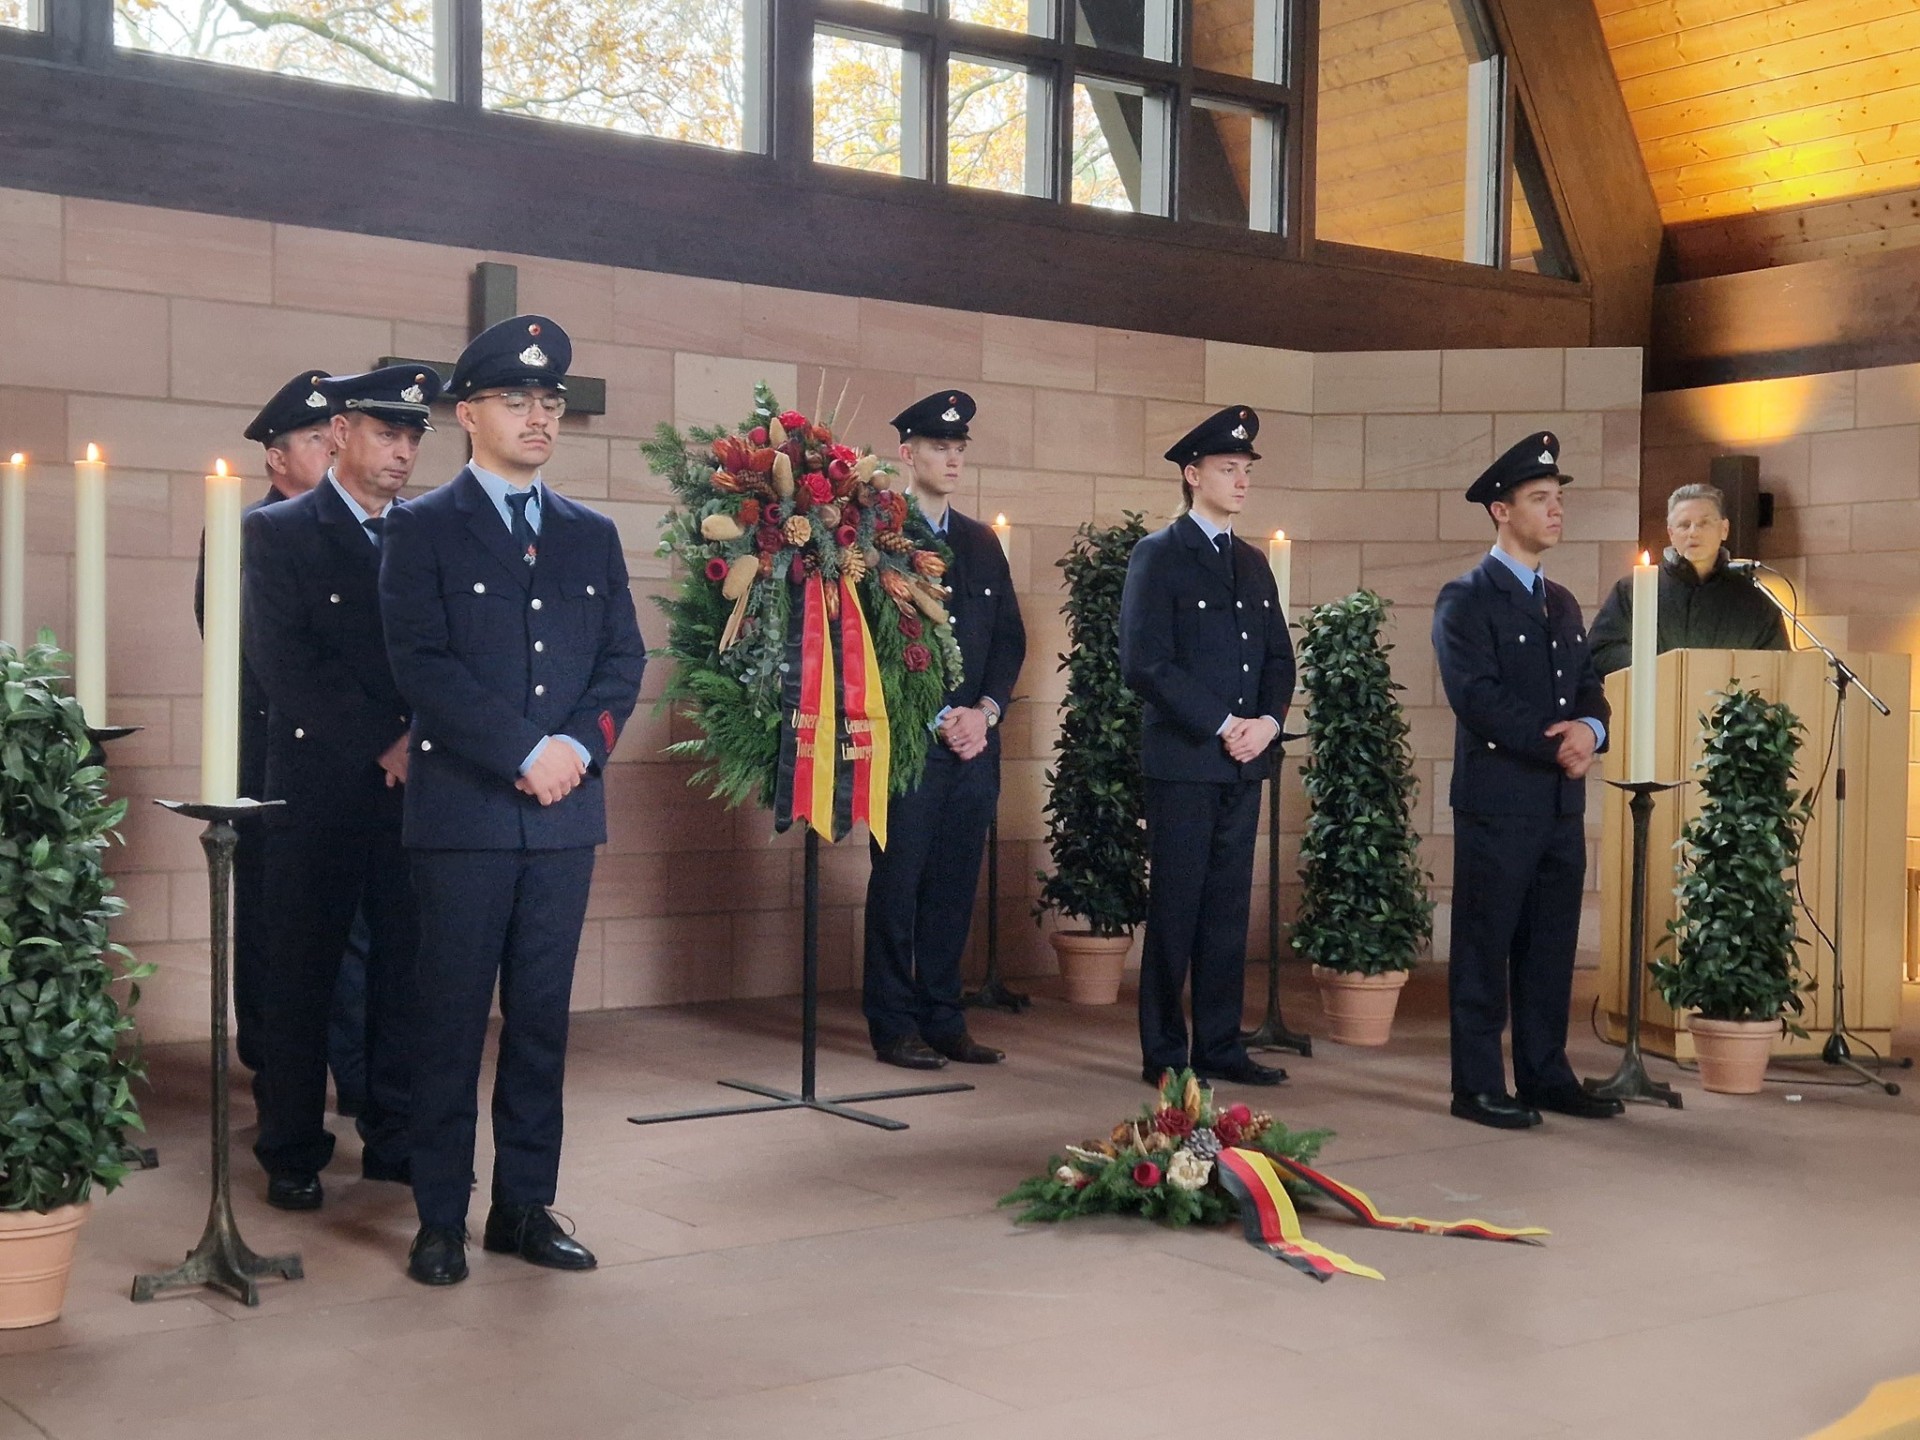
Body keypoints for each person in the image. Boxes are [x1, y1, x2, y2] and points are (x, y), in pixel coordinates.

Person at [380, 315, 647, 1286]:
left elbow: (623, 659)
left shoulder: (590, 534)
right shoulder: (421, 527)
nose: (539, 417)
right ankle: (440, 1218)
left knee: (540, 1024)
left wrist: (575, 747)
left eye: (550, 402)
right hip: (463, 818)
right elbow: (422, 664)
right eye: (516, 400)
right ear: (468, 414)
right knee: (449, 1024)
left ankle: (524, 1208)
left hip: (563, 820)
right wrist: (524, 750)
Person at [242, 364, 439, 1209]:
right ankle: (291, 1148)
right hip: (317, 785)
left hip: (416, 787)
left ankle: (394, 1136)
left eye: (413, 438)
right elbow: (284, 664)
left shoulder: (427, 531)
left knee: (406, 973)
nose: (402, 453)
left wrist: (423, 743)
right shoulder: (280, 530)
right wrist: (384, 741)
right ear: (341, 434)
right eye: (388, 434)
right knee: (301, 975)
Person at [1431, 432, 1619, 1130]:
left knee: (1549, 949)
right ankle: (1477, 1085)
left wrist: (1592, 730)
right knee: (1485, 948)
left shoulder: (1562, 603)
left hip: (1559, 805)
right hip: (1499, 801)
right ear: (1501, 511)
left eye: (1558, 497)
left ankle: (1545, 1072)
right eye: (1540, 498)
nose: (1556, 509)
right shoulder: (1466, 598)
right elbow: (1477, 698)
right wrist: (1561, 743)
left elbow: (1589, 685)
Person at [1119, 405, 1293, 1089]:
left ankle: (1220, 1044)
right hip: (1186, 762)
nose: (1242, 480)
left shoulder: (1252, 563)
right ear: (1193, 475)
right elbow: (1144, 662)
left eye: (1246, 469)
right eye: (1228, 468)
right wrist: (1225, 723)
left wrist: (1268, 724)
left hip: (1244, 764)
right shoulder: (1159, 555)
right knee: (1177, 909)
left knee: (1227, 912)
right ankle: (1165, 1052)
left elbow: (1278, 659)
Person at [862, 391, 1026, 1071]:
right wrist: (936, 716)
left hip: (974, 744)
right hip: (910, 742)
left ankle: (943, 1016)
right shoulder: (877, 537)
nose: (952, 459)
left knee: (955, 886)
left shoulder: (981, 542)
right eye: (939, 448)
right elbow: (867, 647)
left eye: (959, 449)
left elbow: (1009, 640)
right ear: (908, 454)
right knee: (898, 886)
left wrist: (984, 713)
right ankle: (893, 1023)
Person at [194, 373, 340, 1109]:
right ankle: (272, 1063)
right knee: (270, 919)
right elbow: (244, 646)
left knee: (357, 925)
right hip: (271, 751)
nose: (333, 450)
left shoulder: (368, 525)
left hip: (356, 758)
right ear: (276, 458)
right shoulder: (244, 530)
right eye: (316, 439)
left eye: (336, 436)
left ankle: (354, 1070)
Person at [1588, 482, 1789, 675]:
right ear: (1671, 534)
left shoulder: (1754, 599)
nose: (1694, 532)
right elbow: (1601, 652)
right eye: (1684, 525)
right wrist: (1663, 668)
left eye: (1704, 523)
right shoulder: (1632, 591)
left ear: (1724, 529)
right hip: (1658, 695)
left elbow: (1778, 666)